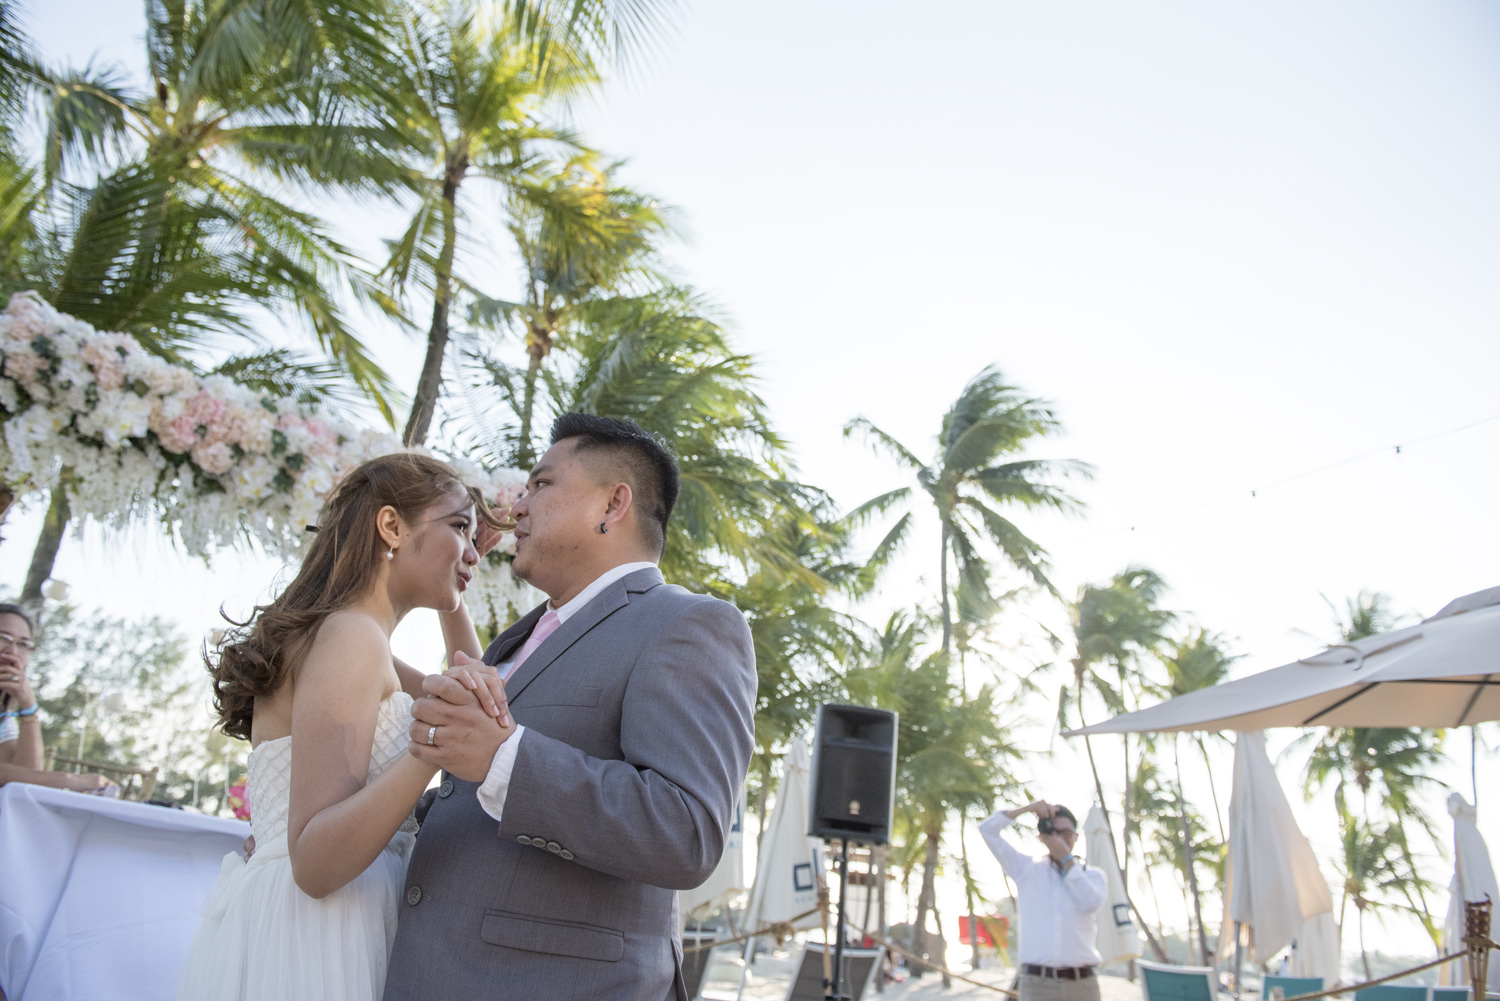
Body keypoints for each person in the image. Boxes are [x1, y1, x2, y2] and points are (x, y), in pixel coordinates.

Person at [383, 414, 758, 1001]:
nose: (519, 505)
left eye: (541, 484)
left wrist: (504, 758)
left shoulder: (688, 625)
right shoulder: (521, 637)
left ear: (613, 505)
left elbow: (686, 831)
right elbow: (466, 801)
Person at [177, 453, 509, 1001]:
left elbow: (473, 692)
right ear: (391, 526)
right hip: (323, 935)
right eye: (458, 528)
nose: (475, 551)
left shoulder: (354, 636)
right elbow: (316, 863)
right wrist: (429, 749)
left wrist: (460, 574)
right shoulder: (352, 637)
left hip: (320, 919)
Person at [978, 799, 1107, 1001]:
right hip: (1037, 985)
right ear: (1043, 836)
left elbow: (1091, 902)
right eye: (1054, 832)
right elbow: (987, 830)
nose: (1060, 839)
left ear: (1076, 836)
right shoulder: (1026, 870)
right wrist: (1027, 809)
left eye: (1067, 833)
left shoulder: (1093, 876)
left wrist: (1066, 860)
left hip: (1082, 985)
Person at [0, 602, 114, 794]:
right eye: (3, 638)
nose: (12, 651)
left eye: (23, 644)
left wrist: (28, 706)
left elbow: (22, 780)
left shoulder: (4, 716)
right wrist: (68, 780)